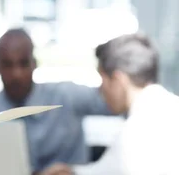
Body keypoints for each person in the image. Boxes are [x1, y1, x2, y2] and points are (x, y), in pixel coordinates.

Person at [0, 28, 111, 173]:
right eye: (8, 65)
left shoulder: (66, 96)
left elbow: (122, 103)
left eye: (23, 64)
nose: (16, 74)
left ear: (34, 64)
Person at [41, 33, 179, 175]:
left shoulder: (136, 133)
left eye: (103, 80)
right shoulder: (169, 108)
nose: (100, 91)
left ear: (118, 80)